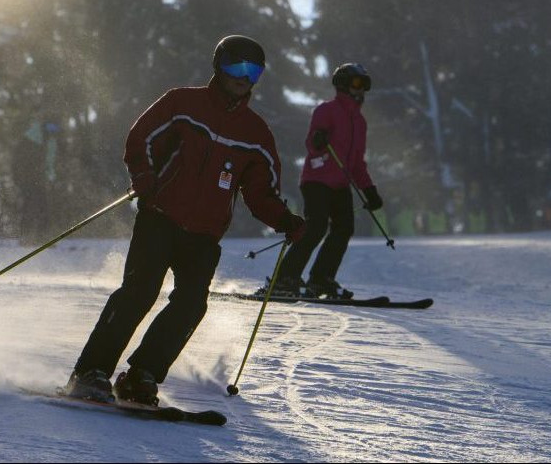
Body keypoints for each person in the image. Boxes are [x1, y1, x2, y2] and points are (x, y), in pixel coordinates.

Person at [66, 35, 306, 405]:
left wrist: (285, 220)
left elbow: (261, 193)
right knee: (139, 292)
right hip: (160, 216)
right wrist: (144, 177)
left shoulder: (256, 134)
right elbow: (140, 139)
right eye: (236, 66)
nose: (243, 77)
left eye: (253, 71)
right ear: (219, 66)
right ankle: (90, 372)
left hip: (204, 234)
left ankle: (141, 375)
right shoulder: (182, 103)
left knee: (192, 303)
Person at [269, 62, 383, 300]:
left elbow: (357, 163)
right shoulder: (326, 110)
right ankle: (285, 278)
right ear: (342, 84)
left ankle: (321, 279)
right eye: (356, 83)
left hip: (341, 184)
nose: (360, 89)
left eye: (364, 84)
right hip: (316, 180)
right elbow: (311, 143)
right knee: (316, 226)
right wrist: (318, 140)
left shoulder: (360, 122)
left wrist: (369, 190)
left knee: (345, 228)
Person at [12, 111, 60, 239]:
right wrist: (18, 176)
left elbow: (49, 162)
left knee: (43, 205)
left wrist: (51, 177)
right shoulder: (31, 136)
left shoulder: (51, 142)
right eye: (50, 127)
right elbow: (18, 158)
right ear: (45, 125)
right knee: (28, 204)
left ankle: (43, 235)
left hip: (39, 177)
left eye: (55, 128)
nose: (52, 131)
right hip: (26, 176)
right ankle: (25, 235)